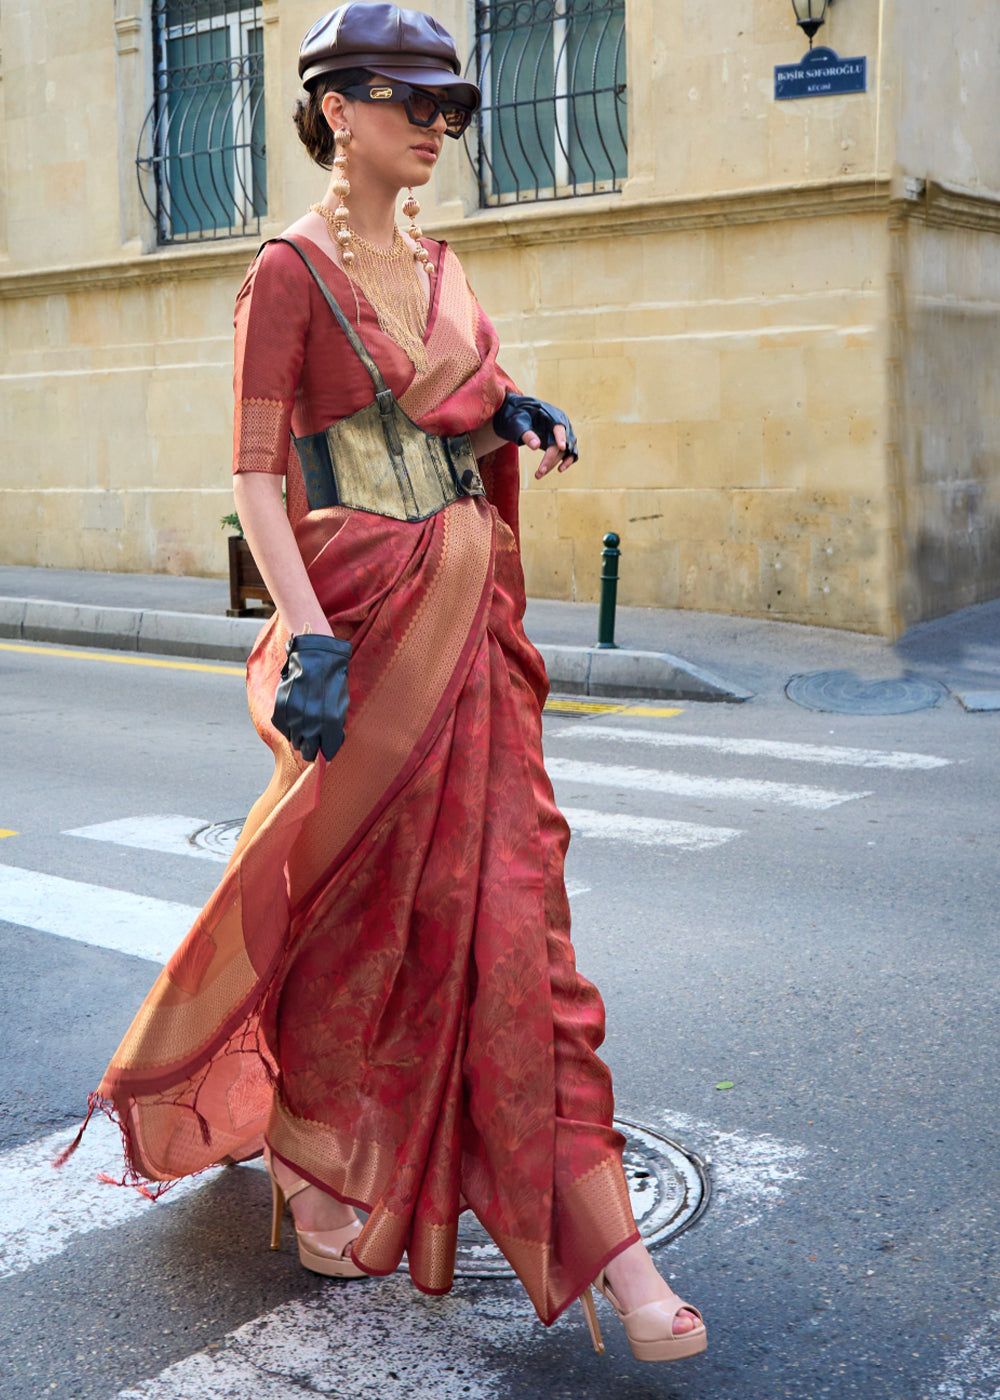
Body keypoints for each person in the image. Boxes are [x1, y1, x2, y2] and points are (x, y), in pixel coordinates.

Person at [76, 2, 706, 1366]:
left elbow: (455, 392)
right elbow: (256, 471)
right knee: (350, 919)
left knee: (517, 933)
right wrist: (308, 638)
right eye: (408, 101)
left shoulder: (445, 260)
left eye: (452, 107)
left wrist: (510, 407)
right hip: (363, 628)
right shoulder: (288, 275)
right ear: (336, 111)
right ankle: (315, 1161)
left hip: (472, 633)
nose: (434, 126)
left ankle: (613, 1254)